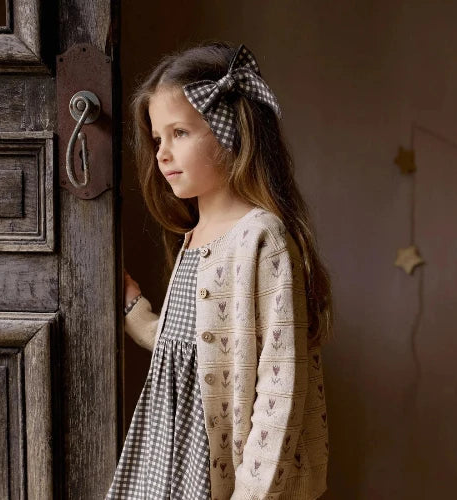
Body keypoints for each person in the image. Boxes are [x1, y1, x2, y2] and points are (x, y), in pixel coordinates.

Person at [106, 41, 333, 500]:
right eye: (157, 139)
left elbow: (279, 388)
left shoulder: (260, 239)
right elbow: (189, 347)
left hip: (221, 472)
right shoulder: (195, 235)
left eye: (180, 133)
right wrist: (134, 307)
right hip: (169, 455)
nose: (162, 154)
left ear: (230, 130)